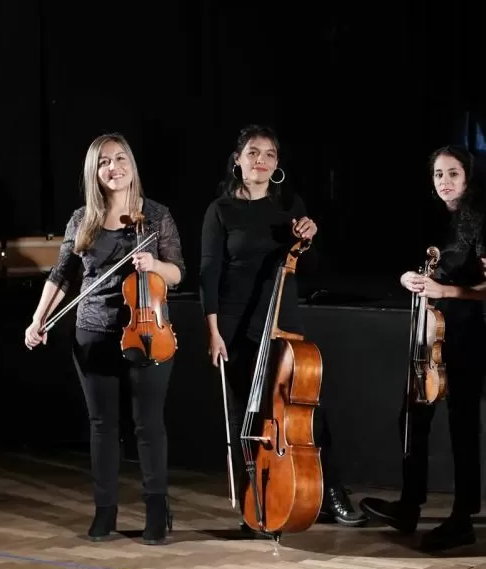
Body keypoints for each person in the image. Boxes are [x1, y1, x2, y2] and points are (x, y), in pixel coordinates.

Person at [199, 124, 366, 530]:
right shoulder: (220, 210)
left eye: (270, 154)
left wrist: (310, 238)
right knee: (249, 417)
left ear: (277, 165)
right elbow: (209, 272)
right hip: (236, 325)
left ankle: (331, 493)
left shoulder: (290, 206)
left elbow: (310, 267)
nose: (261, 160)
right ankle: (255, 502)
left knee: (307, 412)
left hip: (283, 320)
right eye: (253, 153)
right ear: (238, 160)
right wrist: (213, 330)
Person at [24, 133, 185, 546]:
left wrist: (155, 265)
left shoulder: (156, 215)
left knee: (148, 424)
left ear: (131, 163)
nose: (114, 167)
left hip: (148, 330)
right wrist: (38, 319)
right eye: (104, 162)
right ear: (94, 172)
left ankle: (156, 510)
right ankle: (105, 510)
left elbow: (178, 273)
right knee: (102, 426)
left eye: (120, 158)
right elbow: (62, 275)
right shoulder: (83, 219)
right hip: (93, 331)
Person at [359, 145, 486, 551]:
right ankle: (409, 506)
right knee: (413, 420)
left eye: (453, 173)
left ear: (468, 177)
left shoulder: (480, 222)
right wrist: (407, 278)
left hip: (465, 337)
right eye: (439, 174)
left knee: (462, 428)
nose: (445, 181)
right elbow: (419, 268)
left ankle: (463, 518)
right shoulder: (430, 220)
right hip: (428, 338)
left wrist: (447, 291)